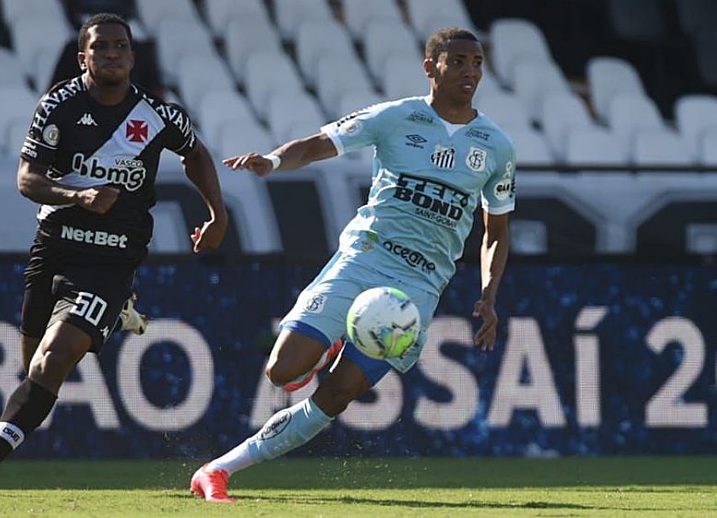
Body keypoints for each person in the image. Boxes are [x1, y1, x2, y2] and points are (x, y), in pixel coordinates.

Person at [190, 27, 516, 502]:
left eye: (477, 62)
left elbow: (496, 233)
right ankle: (332, 337)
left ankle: (219, 470)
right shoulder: (395, 117)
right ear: (431, 67)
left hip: (418, 287)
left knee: (336, 395)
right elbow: (320, 143)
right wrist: (274, 161)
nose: (470, 71)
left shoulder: (497, 146)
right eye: (458, 61)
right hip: (366, 258)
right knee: (282, 372)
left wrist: (488, 296)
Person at [0, 12, 228, 495]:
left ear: (133, 56)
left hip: (112, 259)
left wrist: (217, 214)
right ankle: (117, 315)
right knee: (33, 366)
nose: (112, 54)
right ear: (84, 57)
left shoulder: (157, 115)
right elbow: (26, 179)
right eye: (101, 47)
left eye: (121, 46)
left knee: (51, 360)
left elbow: (196, 152)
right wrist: (78, 196)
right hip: (53, 250)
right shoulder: (58, 106)